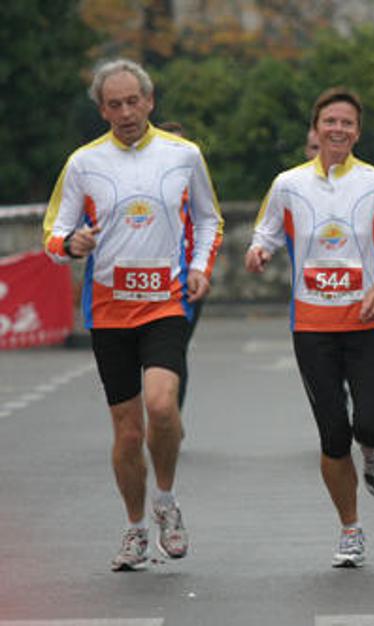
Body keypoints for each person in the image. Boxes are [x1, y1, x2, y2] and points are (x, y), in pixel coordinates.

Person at [42, 58, 224, 571]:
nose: (125, 112)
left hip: (166, 302)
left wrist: (199, 268)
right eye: (114, 104)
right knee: (127, 432)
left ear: (150, 101)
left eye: (132, 102)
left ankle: (166, 501)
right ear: (102, 110)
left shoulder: (184, 155)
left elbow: (209, 220)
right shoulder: (83, 163)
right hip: (109, 310)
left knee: (162, 406)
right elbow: (53, 233)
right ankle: (136, 527)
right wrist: (72, 244)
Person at [245, 87, 374, 568]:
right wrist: (259, 251)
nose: (338, 129)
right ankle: (350, 528)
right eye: (330, 122)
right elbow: (266, 232)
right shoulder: (289, 184)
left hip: (365, 322)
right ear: (316, 128)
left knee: (369, 423)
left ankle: (373, 450)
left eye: (347, 123)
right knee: (333, 435)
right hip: (312, 325)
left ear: (358, 131)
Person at [156, 121, 201, 416]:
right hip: (142, 282)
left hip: (183, 283)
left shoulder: (196, 188)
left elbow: (210, 227)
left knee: (173, 349)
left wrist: (199, 270)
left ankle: (170, 415)